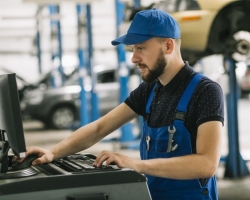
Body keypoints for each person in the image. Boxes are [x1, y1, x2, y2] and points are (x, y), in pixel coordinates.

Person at [25, 8, 224, 200]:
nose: (134, 58)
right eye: (132, 49)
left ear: (168, 46)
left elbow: (206, 164)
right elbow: (99, 128)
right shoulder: (150, 90)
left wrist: (135, 165)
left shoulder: (205, 91)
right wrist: (53, 152)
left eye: (141, 48)